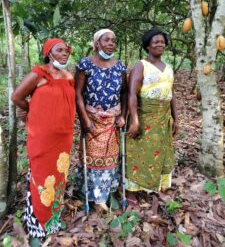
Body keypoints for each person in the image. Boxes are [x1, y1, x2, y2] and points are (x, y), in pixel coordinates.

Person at [11, 38, 76, 245]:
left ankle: (52, 221)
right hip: (42, 138)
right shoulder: (39, 73)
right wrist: (32, 112)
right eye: (60, 50)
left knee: (58, 177)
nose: (65, 53)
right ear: (49, 53)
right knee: (41, 177)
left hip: (63, 137)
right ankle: (37, 226)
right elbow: (17, 96)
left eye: (66, 50)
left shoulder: (68, 76)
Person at [75, 29, 127, 211]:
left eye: (114, 40)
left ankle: (104, 194)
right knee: (92, 158)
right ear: (97, 43)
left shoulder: (120, 66)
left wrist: (123, 116)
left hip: (112, 120)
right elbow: (78, 93)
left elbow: (125, 93)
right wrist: (84, 119)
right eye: (107, 40)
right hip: (92, 120)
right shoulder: (85, 64)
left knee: (110, 158)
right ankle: (90, 195)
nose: (111, 43)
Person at [126, 27, 179, 204]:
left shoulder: (169, 68)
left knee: (160, 152)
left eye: (162, 42)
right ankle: (132, 191)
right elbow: (132, 94)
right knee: (139, 151)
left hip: (164, 117)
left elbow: (171, 94)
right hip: (145, 114)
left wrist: (176, 119)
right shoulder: (141, 66)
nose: (160, 45)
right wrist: (134, 120)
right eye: (155, 42)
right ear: (147, 46)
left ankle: (154, 185)